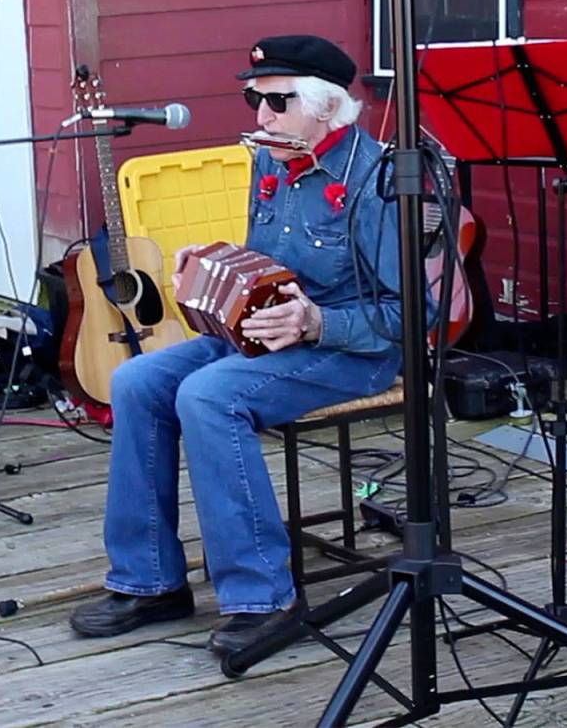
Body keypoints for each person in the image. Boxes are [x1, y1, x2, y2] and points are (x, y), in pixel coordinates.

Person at [70, 34, 403, 654]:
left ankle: (262, 597)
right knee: (135, 380)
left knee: (206, 396)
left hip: (351, 350)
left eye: (276, 101)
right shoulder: (273, 160)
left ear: (328, 105)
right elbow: (269, 264)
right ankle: (150, 581)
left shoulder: (377, 179)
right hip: (268, 338)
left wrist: (314, 325)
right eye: (255, 98)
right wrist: (212, 269)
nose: (260, 116)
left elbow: (414, 310)